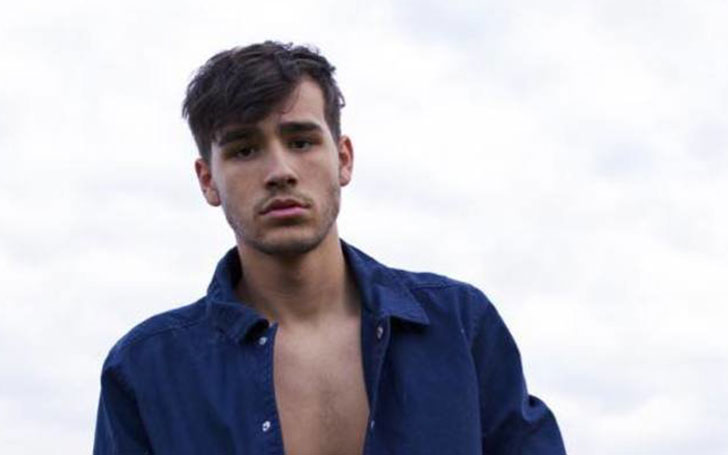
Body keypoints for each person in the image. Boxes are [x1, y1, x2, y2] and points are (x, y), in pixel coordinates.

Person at [93, 41, 566, 455]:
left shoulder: (459, 326)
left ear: (343, 158)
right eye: (244, 150)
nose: (280, 171)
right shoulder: (144, 370)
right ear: (207, 180)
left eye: (301, 141)